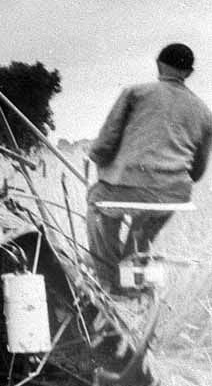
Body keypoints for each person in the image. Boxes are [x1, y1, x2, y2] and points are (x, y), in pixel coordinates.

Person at [87, 43, 212, 292]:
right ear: (188, 73)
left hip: (125, 188)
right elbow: (197, 172)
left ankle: (109, 282)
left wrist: (102, 163)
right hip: (174, 195)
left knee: (96, 204)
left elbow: (102, 147)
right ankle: (133, 283)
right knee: (140, 237)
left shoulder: (135, 93)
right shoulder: (204, 111)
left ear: (158, 65)